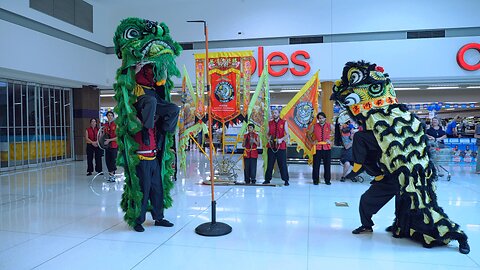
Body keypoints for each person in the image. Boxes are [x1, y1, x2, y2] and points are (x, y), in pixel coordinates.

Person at [345, 131, 399, 235]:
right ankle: (366, 225)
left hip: (402, 177)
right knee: (365, 199)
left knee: (405, 203)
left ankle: (402, 226)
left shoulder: (381, 140)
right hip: (385, 180)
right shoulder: (369, 148)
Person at [132, 126, 174, 232]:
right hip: (142, 161)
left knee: (157, 190)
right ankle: (138, 221)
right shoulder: (136, 120)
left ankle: (159, 218)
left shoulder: (154, 123)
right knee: (143, 190)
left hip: (154, 159)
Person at [134, 63, 180, 147]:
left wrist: (164, 71)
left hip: (153, 94)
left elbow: (160, 82)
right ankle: (146, 129)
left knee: (174, 108)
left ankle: (163, 133)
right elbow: (125, 82)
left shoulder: (156, 65)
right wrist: (135, 71)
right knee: (151, 101)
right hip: (140, 95)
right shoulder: (135, 64)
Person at [264, 109, 290, 186]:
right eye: (273, 113)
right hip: (271, 146)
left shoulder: (284, 122)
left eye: (275, 113)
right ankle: (267, 179)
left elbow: (287, 134)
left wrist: (281, 139)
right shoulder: (270, 123)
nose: (274, 114)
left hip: (281, 146)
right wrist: (268, 138)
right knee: (270, 164)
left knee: (282, 164)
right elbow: (267, 134)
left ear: (279, 113)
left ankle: (286, 180)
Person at [312, 112, 332, 185]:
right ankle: (315, 180)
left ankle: (327, 180)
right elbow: (308, 134)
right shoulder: (314, 126)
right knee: (316, 165)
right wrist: (312, 141)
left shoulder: (329, 126)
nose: (321, 119)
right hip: (317, 148)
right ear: (318, 119)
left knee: (327, 165)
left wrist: (331, 140)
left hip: (327, 148)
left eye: (322, 118)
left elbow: (336, 133)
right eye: (319, 118)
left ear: (325, 118)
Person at [334, 117, 354, 182]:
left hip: (354, 153)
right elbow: (347, 146)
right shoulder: (345, 134)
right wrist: (353, 140)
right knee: (347, 163)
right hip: (347, 154)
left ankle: (353, 175)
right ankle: (343, 176)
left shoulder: (351, 130)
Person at [103, 111, 118, 182]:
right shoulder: (105, 125)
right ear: (107, 116)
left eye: (111, 115)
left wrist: (109, 140)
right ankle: (110, 175)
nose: (110, 117)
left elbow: (118, 137)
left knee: (113, 161)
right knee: (107, 160)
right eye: (108, 115)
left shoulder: (116, 124)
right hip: (107, 146)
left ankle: (112, 176)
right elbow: (103, 135)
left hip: (114, 146)